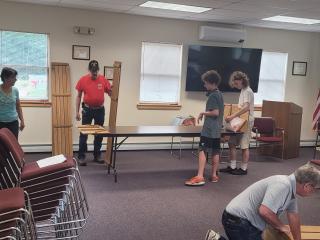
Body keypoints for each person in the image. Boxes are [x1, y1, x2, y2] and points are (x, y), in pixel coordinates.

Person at [205, 163, 320, 240]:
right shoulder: (283, 185)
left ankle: (214, 238)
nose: (313, 191)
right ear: (307, 186)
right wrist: (281, 226)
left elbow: (294, 217)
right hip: (237, 221)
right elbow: (264, 211)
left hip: (242, 220)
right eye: (314, 188)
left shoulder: (291, 190)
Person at [185, 70, 224, 186]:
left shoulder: (213, 96)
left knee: (202, 150)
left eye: (206, 83)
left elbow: (215, 112)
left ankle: (200, 176)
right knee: (215, 151)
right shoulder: (219, 94)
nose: (204, 85)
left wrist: (203, 113)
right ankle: (214, 175)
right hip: (216, 130)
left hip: (209, 130)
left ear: (212, 83)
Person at [75, 60, 111, 166]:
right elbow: (78, 96)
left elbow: (110, 93)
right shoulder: (83, 80)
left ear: (98, 70)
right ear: (89, 70)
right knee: (84, 133)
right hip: (87, 109)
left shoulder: (103, 80)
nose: (94, 73)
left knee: (99, 133)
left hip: (100, 110)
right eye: (92, 71)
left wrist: (113, 92)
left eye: (96, 71)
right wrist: (77, 112)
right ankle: (81, 156)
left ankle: (97, 155)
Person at [220, 71, 254, 175]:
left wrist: (232, 116)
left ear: (242, 80)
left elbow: (246, 108)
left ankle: (243, 169)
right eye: (234, 83)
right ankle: (233, 166)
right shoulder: (243, 90)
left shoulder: (247, 91)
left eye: (236, 83)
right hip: (239, 120)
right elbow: (241, 106)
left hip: (247, 121)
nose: (235, 85)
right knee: (232, 143)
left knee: (244, 146)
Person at [0, 67, 25, 139]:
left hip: (13, 122)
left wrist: (22, 121)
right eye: (13, 77)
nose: (16, 79)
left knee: (13, 144)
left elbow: (18, 106)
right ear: (5, 78)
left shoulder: (15, 90)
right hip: (1, 123)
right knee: (2, 147)